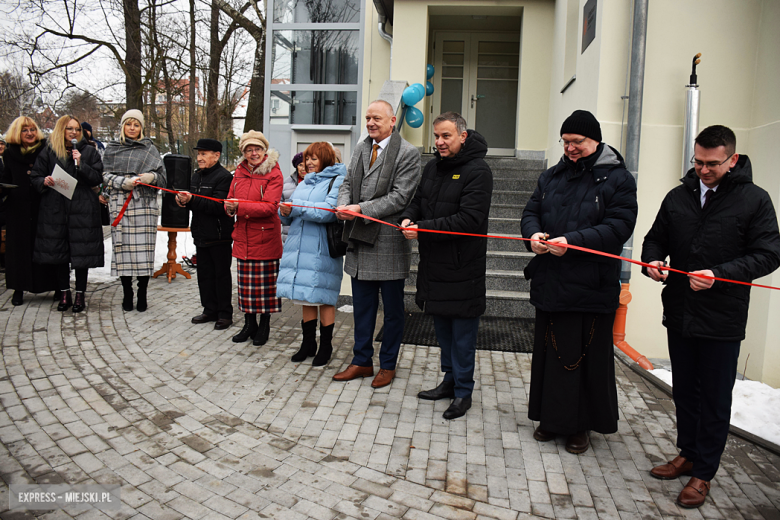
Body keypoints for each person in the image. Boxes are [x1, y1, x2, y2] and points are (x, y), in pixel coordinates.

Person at [641, 125, 780, 508]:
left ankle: (703, 472)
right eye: (698, 162)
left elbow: (769, 253)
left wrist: (720, 276)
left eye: (712, 164)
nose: (703, 170)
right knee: (685, 390)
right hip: (681, 312)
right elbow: (655, 238)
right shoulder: (678, 196)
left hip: (723, 317)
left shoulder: (754, 200)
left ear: (732, 160)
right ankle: (687, 453)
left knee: (715, 399)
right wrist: (653, 261)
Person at [520, 109, 637, 454]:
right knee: (551, 356)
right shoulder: (552, 176)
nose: (570, 148)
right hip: (551, 280)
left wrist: (573, 242)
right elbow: (530, 212)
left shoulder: (618, 178)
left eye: (578, 142)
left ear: (595, 140)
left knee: (584, 360)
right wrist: (534, 236)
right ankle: (551, 419)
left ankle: (580, 426)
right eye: (566, 141)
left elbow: (618, 227)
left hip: (591, 285)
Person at [399, 112, 493, 420]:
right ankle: (449, 381)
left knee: (462, 336)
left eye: (446, 136)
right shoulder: (432, 167)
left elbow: (468, 220)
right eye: (437, 136)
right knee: (443, 332)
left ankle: (463, 392)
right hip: (434, 267)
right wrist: (409, 217)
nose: (439, 142)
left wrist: (422, 229)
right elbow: (418, 200)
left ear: (462, 136)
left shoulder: (478, 171)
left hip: (462, 268)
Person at [333, 99, 422, 389]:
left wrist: (361, 209)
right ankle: (361, 361)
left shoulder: (407, 153)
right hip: (359, 240)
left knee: (393, 311)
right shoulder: (361, 147)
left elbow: (401, 197)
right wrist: (344, 205)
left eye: (377, 118)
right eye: (368, 117)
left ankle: (387, 365)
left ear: (393, 120)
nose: (371, 123)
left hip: (388, 243)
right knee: (362, 309)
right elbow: (347, 182)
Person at [277, 142, 346, 366]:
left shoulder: (337, 181)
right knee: (306, 296)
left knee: (324, 297)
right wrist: (284, 212)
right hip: (300, 245)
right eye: (307, 159)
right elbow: (291, 215)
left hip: (321, 247)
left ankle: (326, 345)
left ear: (326, 159)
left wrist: (295, 207)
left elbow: (327, 212)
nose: (308, 163)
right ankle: (308, 343)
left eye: (314, 158)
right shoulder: (304, 182)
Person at [30, 115, 104, 313]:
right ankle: (64, 292)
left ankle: (80, 294)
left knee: (81, 254)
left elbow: (97, 177)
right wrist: (43, 181)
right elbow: (36, 176)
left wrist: (82, 164)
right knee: (60, 252)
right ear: (61, 130)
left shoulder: (88, 151)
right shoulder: (49, 151)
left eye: (77, 129)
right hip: (56, 207)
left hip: (82, 208)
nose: (74, 132)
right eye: (69, 129)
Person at [103, 109, 166, 312]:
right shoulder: (112, 149)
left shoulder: (150, 149)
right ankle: (127, 292)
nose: (132, 128)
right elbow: (103, 175)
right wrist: (123, 182)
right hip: (120, 203)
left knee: (143, 253)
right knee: (123, 251)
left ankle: (142, 293)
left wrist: (150, 178)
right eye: (128, 124)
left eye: (136, 124)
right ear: (122, 126)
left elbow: (163, 178)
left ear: (141, 128)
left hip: (144, 206)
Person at [224, 131, 283, 346]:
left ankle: (264, 324)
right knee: (246, 286)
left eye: (257, 148)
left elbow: (270, 206)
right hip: (243, 235)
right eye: (249, 149)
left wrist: (239, 206)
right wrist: (229, 207)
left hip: (265, 237)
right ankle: (249, 324)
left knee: (266, 287)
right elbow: (231, 198)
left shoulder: (274, 173)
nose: (253, 153)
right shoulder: (238, 172)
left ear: (264, 150)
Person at [176, 139, 235, 330]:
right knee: (205, 275)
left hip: (219, 235)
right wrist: (183, 200)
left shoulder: (224, 177)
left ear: (216, 155)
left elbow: (219, 205)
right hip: (200, 233)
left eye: (204, 154)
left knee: (221, 276)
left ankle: (225, 313)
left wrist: (192, 199)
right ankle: (209, 309)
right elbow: (196, 202)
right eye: (198, 154)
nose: (199, 158)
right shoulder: (196, 176)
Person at [0, 117, 59, 304]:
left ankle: (55, 286)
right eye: (25, 130)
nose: (30, 133)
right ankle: (19, 287)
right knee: (18, 250)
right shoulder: (9, 154)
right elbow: (5, 176)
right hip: (18, 208)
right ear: (17, 133)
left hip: (42, 204)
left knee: (47, 246)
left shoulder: (46, 150)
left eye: (32, 129)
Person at [281, 152, 305, 242]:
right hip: (289, 233)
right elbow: (279, 206)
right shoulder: (286, 183)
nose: (303, 168)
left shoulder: (317, 183)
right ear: (296, 166)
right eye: (300, 165)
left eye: (306, 165)